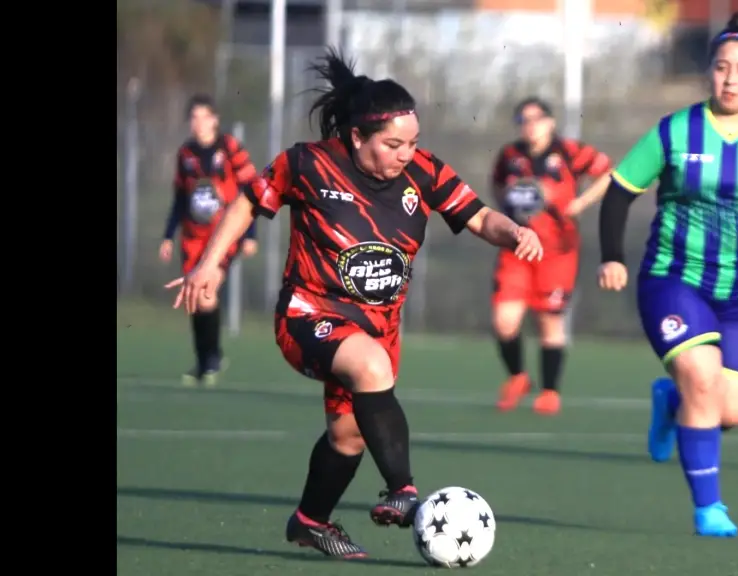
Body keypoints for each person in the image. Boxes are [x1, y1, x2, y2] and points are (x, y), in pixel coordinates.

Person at [166, 49, 542, 560]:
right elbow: (248, 202)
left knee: (347, 438)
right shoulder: (308, 163)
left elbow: (479, 217)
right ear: (357, 136)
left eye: (412, 142)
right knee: (370, 366)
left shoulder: (424, 172)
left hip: (380, 326)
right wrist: (209, 263)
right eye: (393, 144)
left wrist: (514, 230)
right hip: (308, 315)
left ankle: (309, 521)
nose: (406, 153)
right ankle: (404, 491)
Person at [595, 13, 738, 537]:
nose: (730, 79)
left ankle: (669, 400)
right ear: (709, 72)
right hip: (675, 280)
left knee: (731, 411)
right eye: (721, 68)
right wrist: (611, 256)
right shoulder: (676, 130)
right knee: (702, 376)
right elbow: (620, 190)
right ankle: (708, 508)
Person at [490, 97, 612, 415]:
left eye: (536, 118)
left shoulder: (570, 152)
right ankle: (517, 377)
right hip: (517, 249)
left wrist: (579, 205)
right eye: (523, 120)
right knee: (504, 322)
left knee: (549, 321)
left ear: (550, 121)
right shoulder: (510, 155)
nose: (530, 125)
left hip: (557, 252)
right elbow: (497, 185)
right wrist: (510, 210)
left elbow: (608, 173)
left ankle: (549, 391)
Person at [160, 94, 259, 386]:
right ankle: (205, 361)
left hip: (223, 236)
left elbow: (251, 190)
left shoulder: (229, 148)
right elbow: (180, 198)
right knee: (195, 294)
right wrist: (168, 235)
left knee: (206, 293)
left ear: (215, 119)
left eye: (205, 117)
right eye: (194, 117)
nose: (199, 123)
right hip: (193, 238)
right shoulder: (185, 154)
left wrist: (250, 234)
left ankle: (212, 358)